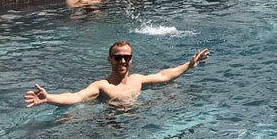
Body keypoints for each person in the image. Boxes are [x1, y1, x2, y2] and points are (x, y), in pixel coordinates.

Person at [24, 41, 209, 108]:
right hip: (110, 123)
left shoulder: (137, 80)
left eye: (126, 57)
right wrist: (49, 98)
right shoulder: (102, 86)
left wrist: (188, 65)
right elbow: (76, 97)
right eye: (118, 57)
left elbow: (163, 76)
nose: (123, 61)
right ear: (110, 60)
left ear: (131, 59)